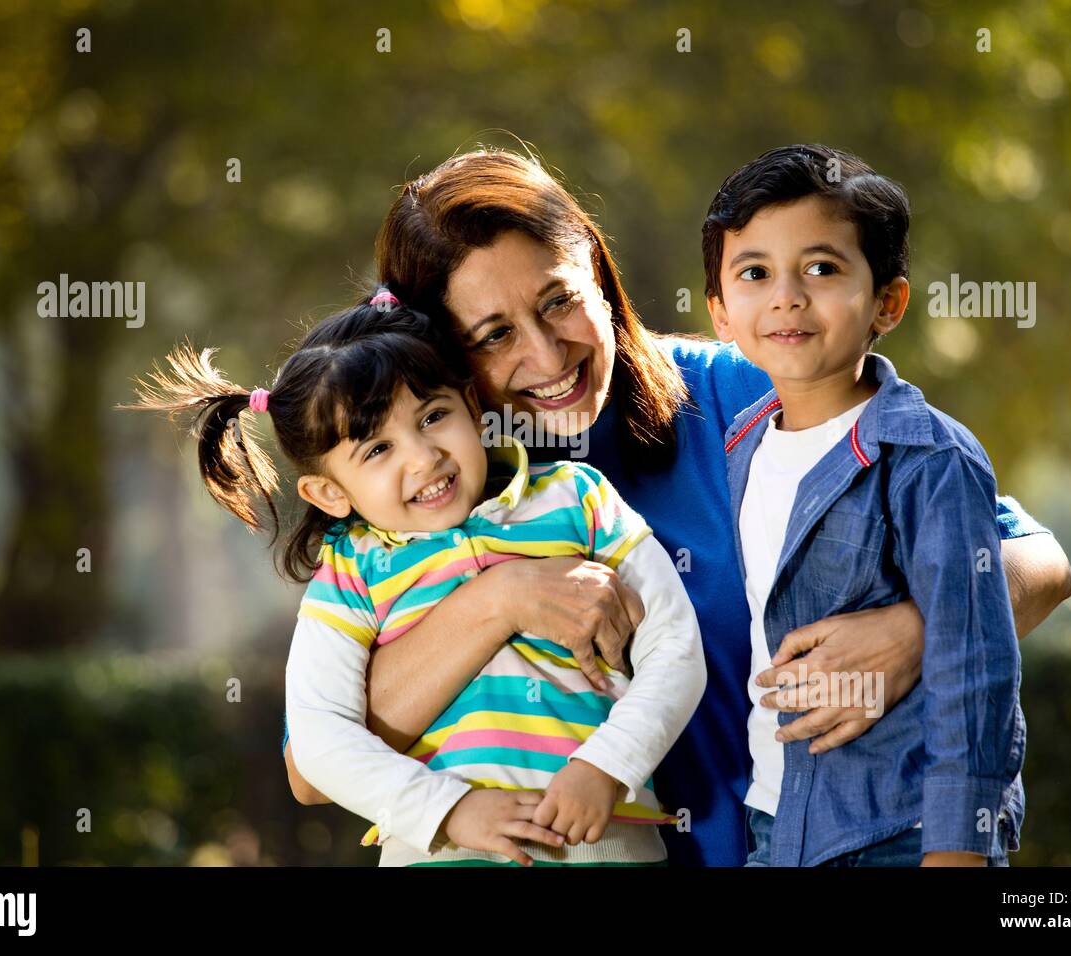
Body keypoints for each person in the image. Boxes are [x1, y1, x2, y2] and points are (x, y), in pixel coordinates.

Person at [285, 147, 1071, 867]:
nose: (548, 355)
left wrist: (917, 630)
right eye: (494, 335)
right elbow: (314, 768)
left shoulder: (748, 390)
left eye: (559, 301)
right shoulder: (420, 504)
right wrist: (505, 598)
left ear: (597, 266)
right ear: (443, 361)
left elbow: (1040, 562)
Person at [130, 293, 706, 866]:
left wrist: (607, 764)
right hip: (438, 850)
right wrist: (448, 811)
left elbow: (675, 645)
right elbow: (319, 738)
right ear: (329, 492)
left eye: (433, 417)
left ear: (474, 406)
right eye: (378, 448)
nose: (423, 458)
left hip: (603, 841)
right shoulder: (351, 570)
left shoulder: (578, 499)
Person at [706, 143, 1024, 866]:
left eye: (822, 268)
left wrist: (958, 849)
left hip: (900, 831)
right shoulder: (739, 446)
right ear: (721, 314)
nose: (787, 295)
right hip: (777, 821)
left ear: (889, 302)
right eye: (755, 273)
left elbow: (975, 665)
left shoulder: (926, 457)